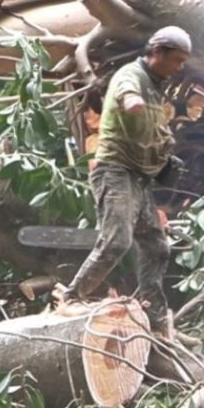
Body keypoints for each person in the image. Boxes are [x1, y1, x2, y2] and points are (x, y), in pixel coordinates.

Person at [61, 26, 192, 331]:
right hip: (115, 171)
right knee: (117, 241)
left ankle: (156, 320)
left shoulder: (156, 84)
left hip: (138, 178)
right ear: (157, 52)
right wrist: (134, 103)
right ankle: (70, 298)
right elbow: (127, 93)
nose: (180, 67)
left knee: (157, 247)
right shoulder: (132, 76)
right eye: (176, 60)